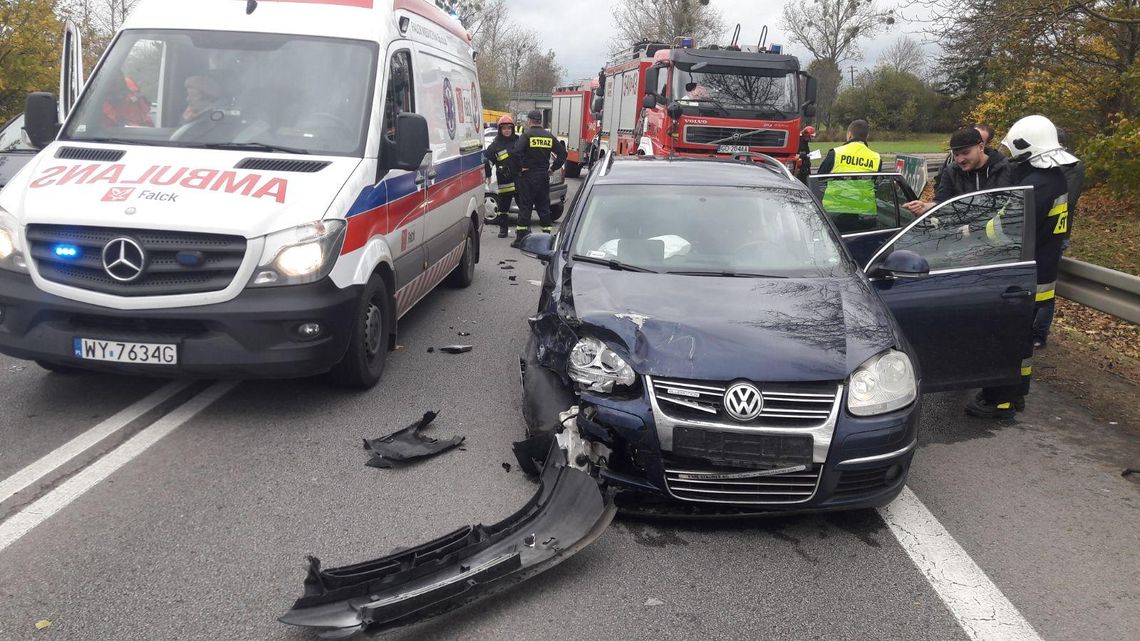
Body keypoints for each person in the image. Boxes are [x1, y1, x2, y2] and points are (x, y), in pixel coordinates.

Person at [966, 114, 1077, 419]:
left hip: (1022, 275)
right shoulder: (1054, 178)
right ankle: (1017, 394)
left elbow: (1001, 231)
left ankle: (999, 399)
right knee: (1024, 339)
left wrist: (975, 232)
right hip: (1042, 274)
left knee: (1006, 337)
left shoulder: (1035, 186)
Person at [903, 127, 1011, 215]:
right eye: (956, 154)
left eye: (965, 153)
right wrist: (926, 207)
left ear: (981, 147)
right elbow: (942, 202)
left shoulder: (1005, 168)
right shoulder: (951, 172)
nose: (960, 159)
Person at [510, 110, 567, 248]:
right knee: (543, 207)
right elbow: (562, 153)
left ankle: (521, 239)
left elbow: (515, 153)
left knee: (526, 206)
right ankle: (546, 238)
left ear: (529, 121)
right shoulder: (548, 136)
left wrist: (520, 168)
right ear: (540, 121)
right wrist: (552, 169)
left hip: (528, 176)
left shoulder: (527, 135)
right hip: (543, 176)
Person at [817, 120, 881, 228]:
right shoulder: (876, 157)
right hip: (864, 214)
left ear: (849, 135)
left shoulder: (836, 153)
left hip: (835, 212)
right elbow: (875, 184)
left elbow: (819, 178)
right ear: (867, 136)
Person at [483, 115, 521, 238]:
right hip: (504, 180)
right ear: (500, 129)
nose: (506, 130)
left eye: (509, 128)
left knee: (523, 206)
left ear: (512, 129)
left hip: (519, 179)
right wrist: (488, 175)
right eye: (504, 128)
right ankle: (503, 230)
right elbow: (487, 160)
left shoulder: (519, 141)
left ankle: (523, 231)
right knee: (503, 207)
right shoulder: (496, 144)